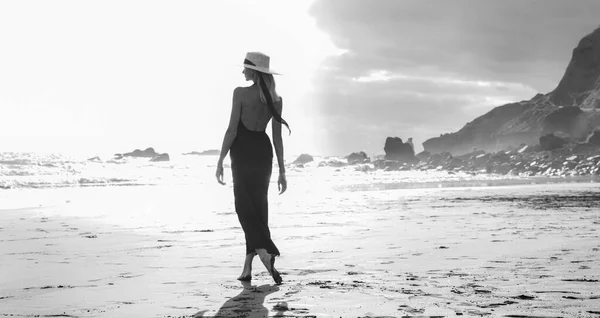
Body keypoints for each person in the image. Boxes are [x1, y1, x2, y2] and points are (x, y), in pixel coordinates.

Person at [215, 52, 290, 285]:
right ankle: (248, 266)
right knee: (257, 208)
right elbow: (277, 138)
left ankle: (265, 250)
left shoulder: (240, 93)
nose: (242, 71)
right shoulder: (276, 100)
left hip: (243, 152)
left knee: (243, 206)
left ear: (254, 71)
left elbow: (232, 130)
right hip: (263, 152)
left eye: (245, 67)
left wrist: (220, 160)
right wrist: (282, 170)